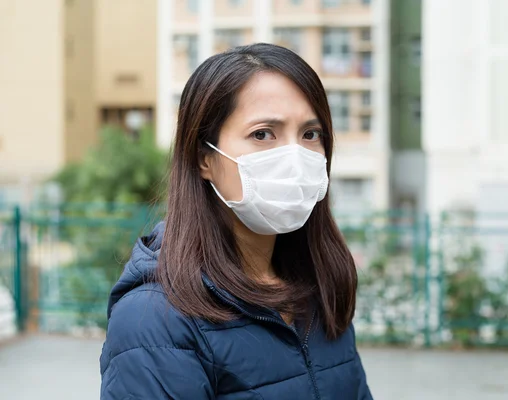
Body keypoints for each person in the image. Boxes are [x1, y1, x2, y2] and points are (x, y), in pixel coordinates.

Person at [100, 43, 373, 399]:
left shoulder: (318, 285)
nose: (294, 157)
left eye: (310, 134)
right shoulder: (153, 320)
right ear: (204, 158)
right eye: (263, 134)